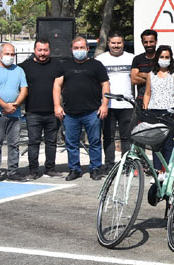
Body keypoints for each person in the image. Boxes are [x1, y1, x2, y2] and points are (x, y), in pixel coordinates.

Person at [54, 36, 110, 181]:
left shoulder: (96, 65)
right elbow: (57, 86)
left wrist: (104, 105)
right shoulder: (64, 65)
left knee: (95, 142)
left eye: (81, 48)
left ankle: (95, 168)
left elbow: (105, 84)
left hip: (92, 112)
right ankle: (74, 169)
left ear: (87, 49)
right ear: (72, 49)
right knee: (71, 143)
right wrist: (57, 105)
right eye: (76, 48)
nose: (79, 50)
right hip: (70, 113)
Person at [0, 43, 29, 184]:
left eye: (12, 54)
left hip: (14, 114)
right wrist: (4, 105)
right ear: (0, 54)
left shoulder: (19, 70)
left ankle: (13, 171)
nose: (10, 57)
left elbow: (24, 90)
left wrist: (15, 104)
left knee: (14, 144)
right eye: (7, 54)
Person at [21, 38, 64, 180]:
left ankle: (50, 168)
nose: (42, 53)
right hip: (33, 112)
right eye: (40, 50)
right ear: (34, 50)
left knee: (51, 142)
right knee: (34, 142)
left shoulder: (57, 66)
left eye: (45, 50)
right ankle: (33, 170)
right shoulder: (24, 67)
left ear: (49, 50)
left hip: (53, 112)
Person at [96, 31, 135, 170]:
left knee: (127, 137)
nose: (116, 46)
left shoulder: (131, 58)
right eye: (113, 43)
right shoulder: (101, 60)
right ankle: (109, 165)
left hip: (127, 104)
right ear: (108, 44)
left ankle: (127, 164)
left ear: (123, 43)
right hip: (108, 104)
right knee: (108, 137)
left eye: (119, 43)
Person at [144, 46, 174, 172]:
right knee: (156, 142)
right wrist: (145, 110)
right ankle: (157, 170)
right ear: (157, 58)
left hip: (169, 111)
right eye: (162, 57)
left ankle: (167, 170)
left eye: (167, 57)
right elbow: (147, 93)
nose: (164, 60)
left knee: (168, 143)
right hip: (154, 111)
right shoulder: (151, 75)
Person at [131, 29, 158, 103]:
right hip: (141, 100)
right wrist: (153, 77)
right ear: (142, 43)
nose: (148, 45)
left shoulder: (162, 57)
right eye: (145, 42)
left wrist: (142, 74)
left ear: (156, 41)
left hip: (160, 101)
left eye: (151, 41)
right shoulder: (137, 59)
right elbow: (133, 80)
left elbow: (166, 78)